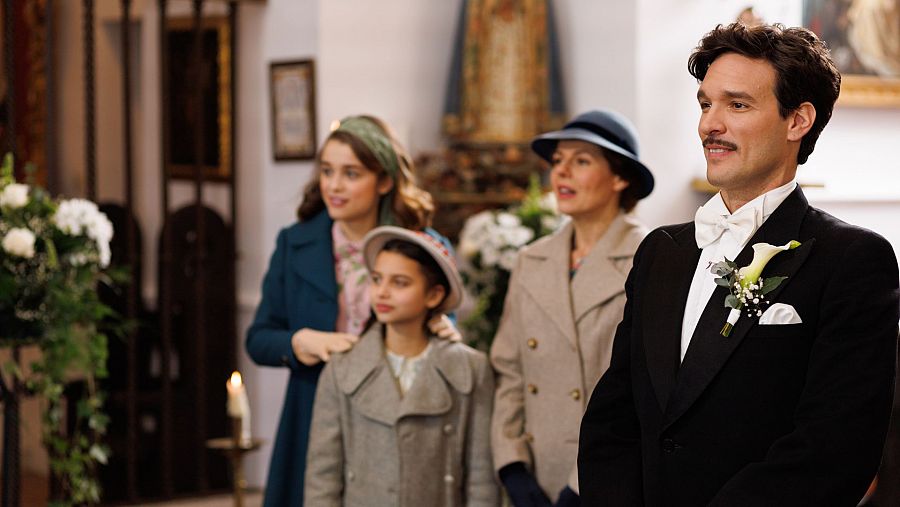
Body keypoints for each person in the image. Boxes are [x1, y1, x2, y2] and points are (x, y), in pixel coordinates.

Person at [578, 22, 900, 506]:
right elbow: (614, 416)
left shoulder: (852, 259)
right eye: (706, 104)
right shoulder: (660, 252)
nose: (710, 124)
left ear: (798, 121)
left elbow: (835, 447)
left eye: (738, 104)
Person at [246, 115, 459, 507]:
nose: (334, 185)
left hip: (400, 423)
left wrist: (444, 331)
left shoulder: (427, 247)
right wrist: (299, 341)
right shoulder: (294, 244)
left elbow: (446, 336)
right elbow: (258, 339)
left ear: (384, 181)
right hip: (313, 414)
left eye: (351, 173)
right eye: (327, 171)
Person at [490, 109, 655, 507]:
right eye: (558, 161)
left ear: (620, 177)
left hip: (608, 477)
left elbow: (641, 388)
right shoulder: (532, 259)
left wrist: (582, 485)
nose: (561, 173)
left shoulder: (651, 257)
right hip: (533, 474)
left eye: (580, 161)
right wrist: (511, 466)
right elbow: (510, 371)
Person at [304, 226, 498, 507]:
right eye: (377, 279)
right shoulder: (342, 368)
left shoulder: (471, 369)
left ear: (433, 295)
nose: (382, 292)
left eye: (400, 283)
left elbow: (481, 478)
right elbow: (323, 476)